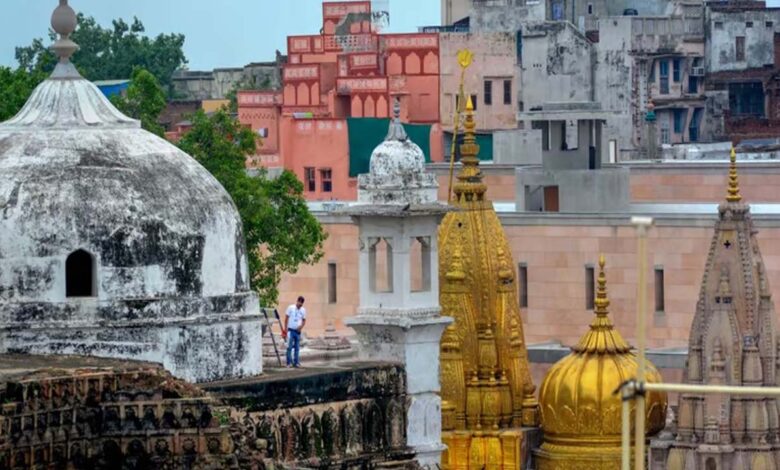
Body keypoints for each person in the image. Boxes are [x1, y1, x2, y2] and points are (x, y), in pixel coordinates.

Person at [283, 296, 306, 368]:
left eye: (301, 304)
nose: (300, 305)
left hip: (297, 331)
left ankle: (296, 362)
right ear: (297, 301)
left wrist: (301, 327)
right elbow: (286, 318)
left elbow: (304, 320)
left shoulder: (303, 310)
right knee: (289, 347)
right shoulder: (291, 307)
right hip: (290, 330)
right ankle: (288, 362)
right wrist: (285, 329)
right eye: (299, 303)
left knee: (297, 347)